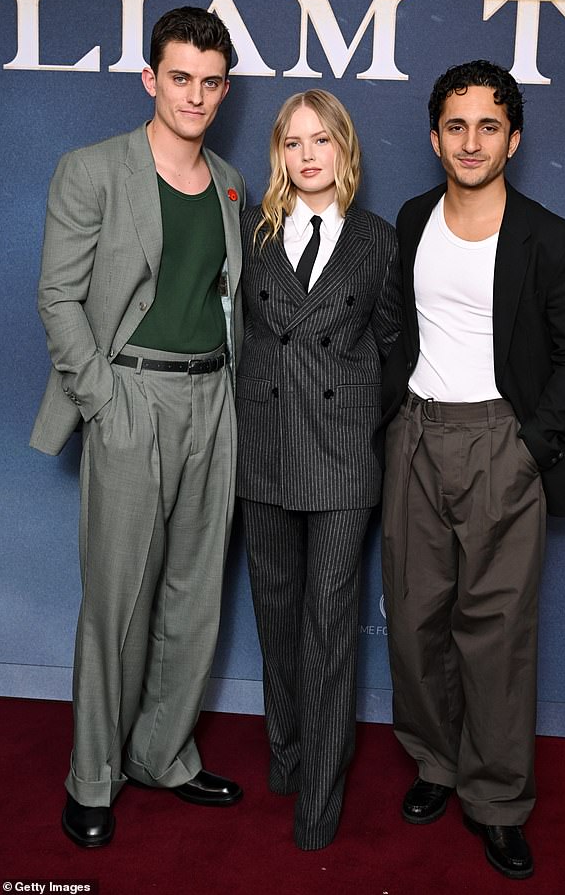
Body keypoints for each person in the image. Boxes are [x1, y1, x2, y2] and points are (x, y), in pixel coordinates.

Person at [380, 60, 565, 880]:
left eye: (487, 125)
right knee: (413, 620)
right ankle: (438, 765)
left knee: (498, 635)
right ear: (435, 136)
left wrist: (528, 446)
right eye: (454, 125)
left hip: (501, 445)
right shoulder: (409, 220)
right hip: (414, 436)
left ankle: (499, 800)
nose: (470, 141)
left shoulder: (555, 240)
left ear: (513, 137)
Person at [30, 7, 246, 847]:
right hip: (130, 396)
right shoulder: (92, 169)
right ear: (151, 79)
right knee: (117, 601)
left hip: (211, 401)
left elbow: (226, 301)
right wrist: (104, 403)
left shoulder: (229, 180)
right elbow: (58, 296)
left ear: (224, 89)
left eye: (211, 81)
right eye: (181, 77)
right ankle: (93, 776)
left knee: (194, 598)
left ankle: (165, 754)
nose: (195, 94)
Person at [236, 90, 401, 850]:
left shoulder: (378, 240)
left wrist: (367, 428)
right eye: (293, 142)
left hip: (339, 460)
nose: (308, 155)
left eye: (321, 140)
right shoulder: (252, 226)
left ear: (344, 149)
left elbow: (395, 351)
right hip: (263, 448)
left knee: (330, 625)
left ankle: (320, 808)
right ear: (279, 153)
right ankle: (286, 754)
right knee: (276, 613)